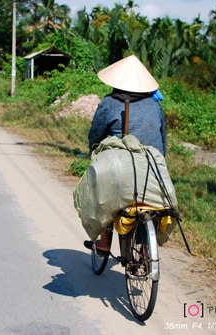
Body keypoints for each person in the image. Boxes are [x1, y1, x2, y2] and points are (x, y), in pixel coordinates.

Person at [84, 54, 167, 254]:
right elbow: (163, 138)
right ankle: (147, 248)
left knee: (102, 193)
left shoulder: (110, 103)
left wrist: (93, 150)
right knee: (152, 201)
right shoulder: (155, 105)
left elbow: (96, 134)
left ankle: (103, 243)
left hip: (120, 166)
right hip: (152, 166)